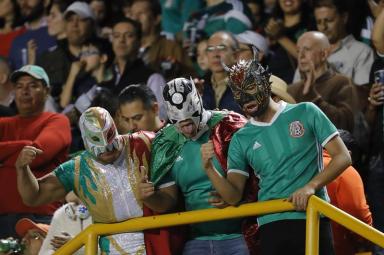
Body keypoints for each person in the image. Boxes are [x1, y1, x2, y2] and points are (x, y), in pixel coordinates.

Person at [200, 56, 351, 254]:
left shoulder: (306, 111)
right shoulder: (241, 138)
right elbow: (234, 196)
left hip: (312, 215)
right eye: (237, 91)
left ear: (264, 83)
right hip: (270, 222)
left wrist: (310, 187)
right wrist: (209, 168)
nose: (244, 96)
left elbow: (343, 157)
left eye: (250, 87)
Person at [15, 106, 174, 254]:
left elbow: (171, 199)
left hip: (158, 241)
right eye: (100, 149)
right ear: (85, 142)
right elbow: (34, 196)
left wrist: (151, 197)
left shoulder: (146, 143)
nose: (107, 150)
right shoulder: (76, 169)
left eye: (111, 144)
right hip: (111, 249)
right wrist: (22, 169)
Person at [139, 77, 259, 255]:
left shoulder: (229, 126)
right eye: (181, 125)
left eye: (189, 122)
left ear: (199, 105)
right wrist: (148, 197)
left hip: (239, 234)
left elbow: (259, 178)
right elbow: (169, 201)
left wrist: (240, 199)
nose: (187, 130)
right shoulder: (166, 141)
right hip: (197, 239)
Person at [0, 65, 72, 239]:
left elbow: (35, 156)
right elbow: (26, 152)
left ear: (46, 91)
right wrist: (23, 147)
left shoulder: (57, 120)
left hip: (41, 218)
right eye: (19, 86)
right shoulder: (5, 124)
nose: (25, 91)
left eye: (32, 86)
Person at [288, 31, 357, 133]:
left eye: (307, 49)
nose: (301, 56)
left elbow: (345, 124)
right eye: (298, 51)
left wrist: (314, 97)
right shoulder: (291, 89)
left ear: (324, 54)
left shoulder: (341, 82)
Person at [292, 0, 374, 86]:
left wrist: (327, 70)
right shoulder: (310, 53)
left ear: (344, 17)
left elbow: (362, 94)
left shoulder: (362, 52)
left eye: (329, 21)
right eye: (319, 22)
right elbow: (294, 93)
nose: (323, 27)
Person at [103, 17, 167, 120]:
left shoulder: (152, 77)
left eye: (129, 36)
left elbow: (161, 116)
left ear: (139, 42)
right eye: (116, 36)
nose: (121, 40)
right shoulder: (104, 75)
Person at [325, 129, 372, 255]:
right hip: (332, 247)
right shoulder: (345, 171)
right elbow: (357, 212)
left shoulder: (297, 165)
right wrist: (365, 241)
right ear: (348, 154)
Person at [127, 0, 195, 80]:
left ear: (156, 19)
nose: (135, 18)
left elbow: (190, 78)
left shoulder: (172, 49)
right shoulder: (125, 48)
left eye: (140, 13)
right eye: (132, 14)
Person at [202, 31, 242, 113]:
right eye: (210, 49)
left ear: (236, 55)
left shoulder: (248, 86)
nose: (215, 54)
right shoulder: (198, 86)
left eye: (222, 48)